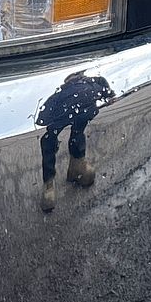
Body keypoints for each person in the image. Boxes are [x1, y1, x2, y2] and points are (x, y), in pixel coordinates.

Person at [35, 69, 117, 212]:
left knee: (54, 137)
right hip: (81, 109)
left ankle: (57, 180)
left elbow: (42, 119)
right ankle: (69, 171)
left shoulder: (59, 94)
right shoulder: (94, 82)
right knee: (69, 132)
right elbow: (109, 95)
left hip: (69, 111)